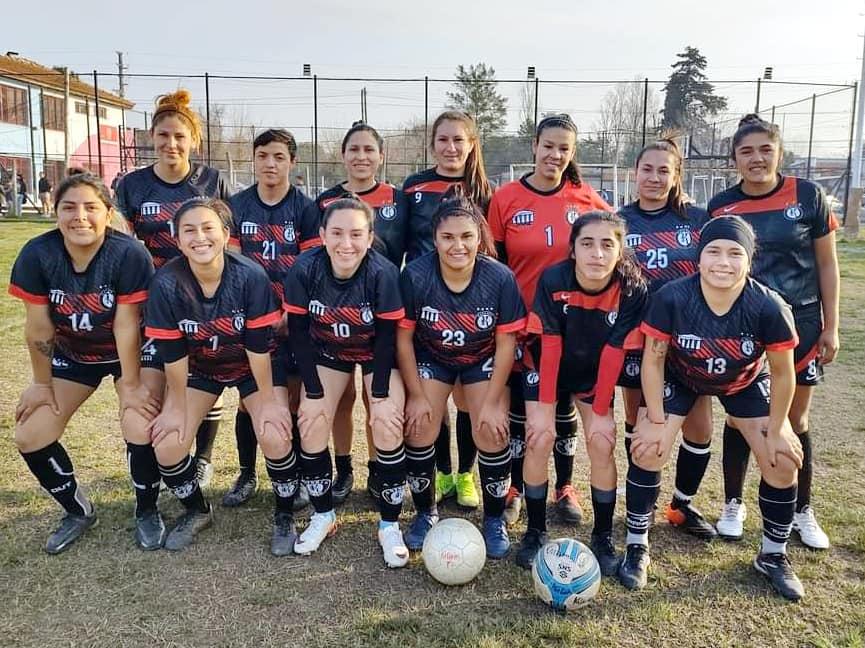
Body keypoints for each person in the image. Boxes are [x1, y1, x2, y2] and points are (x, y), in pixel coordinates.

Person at [627, 215, 805, 600]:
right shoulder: (672, 297)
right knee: (648, 446)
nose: (723, 262)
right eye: (713, 252)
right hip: (681, 375)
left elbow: (783, 374)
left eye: (734, 253)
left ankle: (773, 555)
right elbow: (654, 360)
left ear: (749, 260)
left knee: (782, 459)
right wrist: (655, 418)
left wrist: (778, 428)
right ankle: (636, 544)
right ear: (698, 257)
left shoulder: (769, 305)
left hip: (743, 381)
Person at [9, 173, 163, 553]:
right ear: (55, 212)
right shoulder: (37, 254)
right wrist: (42, 384)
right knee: (30, 434)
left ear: (107, 213)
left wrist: (130, 384)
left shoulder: (128, 253)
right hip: (75, 355)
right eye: (69, 207)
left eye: (91, 207)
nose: (80, 216)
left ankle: (147, 510)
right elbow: (39, 329)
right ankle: (77, 510)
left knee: (138, 422)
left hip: (134, 351)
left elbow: (126, 325)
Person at [709, 115, 839, 549]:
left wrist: (831, 325)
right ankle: (732, 504)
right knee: (740, 416)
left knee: (794, 419)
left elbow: (826, 263)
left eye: (765, 149)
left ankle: (802, 509)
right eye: (746, 151)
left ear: (779, 153)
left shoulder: (807, 196)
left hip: (800, 323)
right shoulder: (722, 206)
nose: (757, 158)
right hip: (741, 326)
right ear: (734, 160)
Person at [145, 197, 295, 553]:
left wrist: (270, 402)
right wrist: (175, 406)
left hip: (252, 365)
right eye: (189, 230)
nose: (200, 237)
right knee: (168, 444)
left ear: (226, 234)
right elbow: (174, 355)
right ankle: (197, 510)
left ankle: (285, 515)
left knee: (274, 433)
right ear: (177, 239)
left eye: (208, 227)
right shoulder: (166, 283)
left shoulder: (250, 275)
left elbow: (258, 348)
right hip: (202, 368)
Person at [488, 114, 611, 527]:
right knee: (524, 407)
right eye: (548, 146)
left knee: (562, 407)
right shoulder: (505, 199)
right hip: (520, 324)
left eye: (564, 148)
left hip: (572, 327)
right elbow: (495, 265)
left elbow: (611, 251)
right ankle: (517, 486)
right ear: (534, 146)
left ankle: (565, 487)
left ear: (572, 153)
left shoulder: (587, 201)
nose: (554, 155)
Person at [397, 189, 526, 557]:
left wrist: (492, 401)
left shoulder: (499, 277)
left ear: (480, 237)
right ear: (434, 238)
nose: (458, 245)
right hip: (432, 355)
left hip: (481, 358)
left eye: (467, 236)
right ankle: (425, 513)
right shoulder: (416, 275)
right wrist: (418, 395)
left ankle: (494, 518)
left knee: (491, 426)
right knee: (420, 424)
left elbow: (505, 346)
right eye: (448, 237)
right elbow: (404, 340)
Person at [115, 89, 232, 489]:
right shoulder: (132, 185)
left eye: (180, 136)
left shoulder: (210, 180)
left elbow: (226, 241)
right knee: (160, 378)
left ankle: (202, 458)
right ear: (152, 137)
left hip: (203, 299)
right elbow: (119, 239)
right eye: (163, 135)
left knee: (204, 375)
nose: (171, 144)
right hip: (153, 298)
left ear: (193, 141)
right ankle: (153, 458)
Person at [519, 211, 646, 573]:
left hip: (595, 371)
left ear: (620, 251)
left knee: (602, 441)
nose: (597, 253)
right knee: (539, 439)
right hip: (546, 366)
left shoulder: (632, 288)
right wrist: (545, 408)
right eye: (587, 243)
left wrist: (602, 408)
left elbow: (615, 350)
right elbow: (552, 343)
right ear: (573, 249)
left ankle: (603, 536)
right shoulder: (554, 278)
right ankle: (535, 530)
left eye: (608, 244)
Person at [283, 198, 406, 562]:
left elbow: (386, 338)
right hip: (326, 352)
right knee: (311, 417)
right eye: (336, 233)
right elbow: (299, 333)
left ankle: (389, 524)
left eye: (356, 234)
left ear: (370, 237)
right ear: (322, 234)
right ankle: (324, 515)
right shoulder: (305, 268)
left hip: (374, 354)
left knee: (385, 421)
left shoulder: (383, 273)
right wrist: (315, 390)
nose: (345, 243)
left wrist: (380, 392)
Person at [617, 139, 715, 540]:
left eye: (664, 171)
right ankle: (640, 499)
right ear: (635, 173)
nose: (655, 178)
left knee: (700, 423)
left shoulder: (697, 219)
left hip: (691, 336)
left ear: (677, 177)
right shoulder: (618, 220)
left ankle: (682, 503)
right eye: (647, 169)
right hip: (637, 335)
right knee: (637, 417)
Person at [398, 110, 494, 510]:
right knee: (432, 401)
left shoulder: (485, 190)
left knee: (468, 401)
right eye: (443, 140)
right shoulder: (415, 186)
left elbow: (491, 251)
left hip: (471, 310)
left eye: (459, 140)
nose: (451, 147)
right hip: (426, 310)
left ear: (472, 144)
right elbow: (401, 243)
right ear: (432, 144)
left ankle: (466, 474)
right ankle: (440, 472)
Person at [227, 128, 320, 509]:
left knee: (293, 398)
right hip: (250, 321)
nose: (270, 163)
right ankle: (247, 473)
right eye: (263, 155)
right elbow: (229, 265)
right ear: (253, 159)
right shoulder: (236, 205)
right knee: (249, 402)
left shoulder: (307, 208)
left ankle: (295, 476)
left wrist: (289, 313)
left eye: (279, 157)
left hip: (291, 319)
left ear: (292, 163)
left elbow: (312, 268)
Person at [316, 122, 404, 502]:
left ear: (380, 156)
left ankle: (377, 470)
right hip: (333, 321)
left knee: (376, 399)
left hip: (380, 318)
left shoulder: (398, 200)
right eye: (354, 149)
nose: (361, 156)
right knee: (341, 398)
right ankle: (343, 468)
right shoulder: (324, 201)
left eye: (369, 149)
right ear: (343, 155)